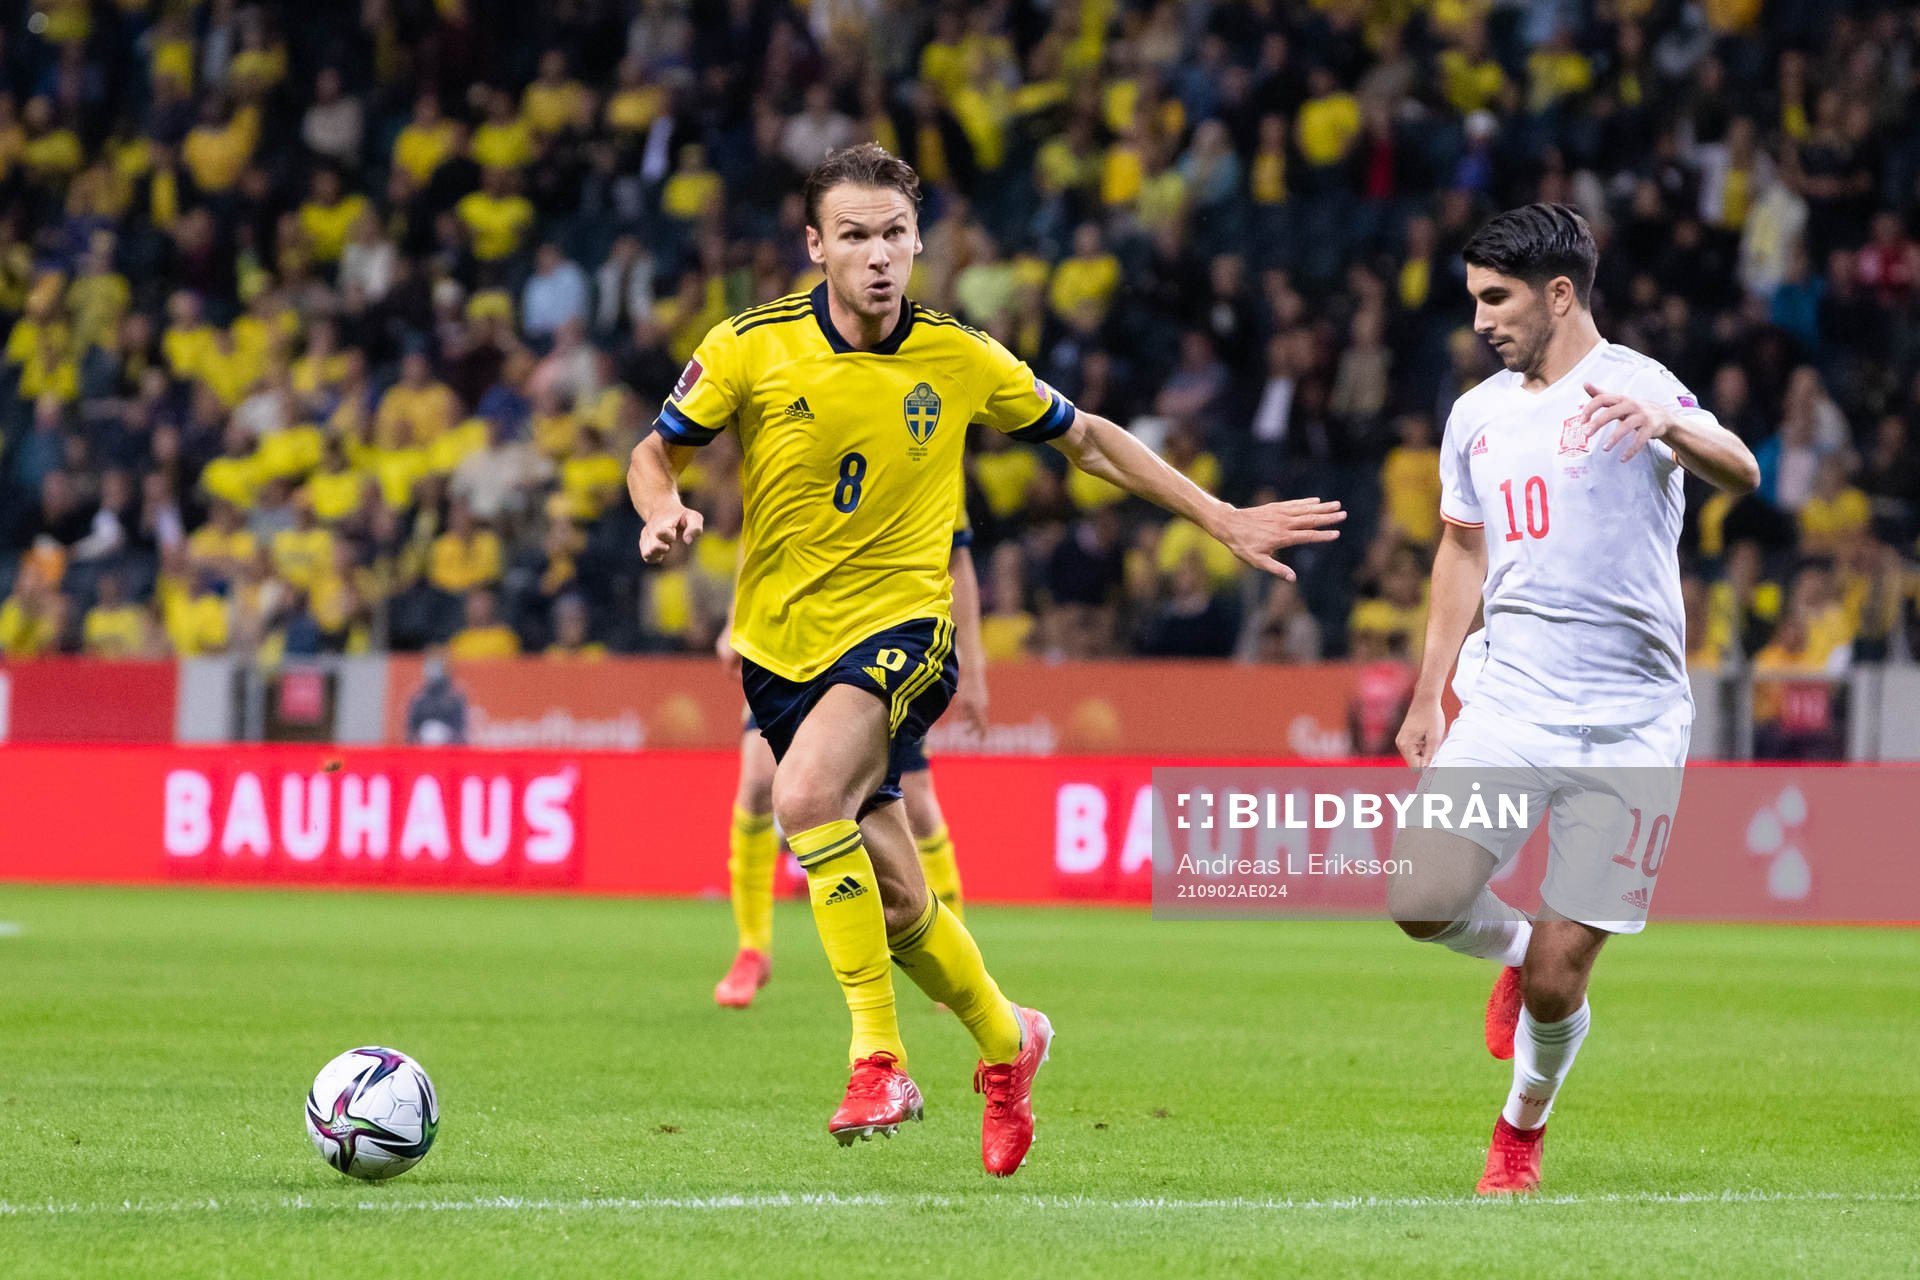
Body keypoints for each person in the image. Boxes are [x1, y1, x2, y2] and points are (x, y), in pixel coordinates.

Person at [628, 143, 1342, 1174]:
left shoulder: (961, 355)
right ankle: (1011, 1041)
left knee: (804, 796)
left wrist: (1218, 515)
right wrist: (662, 513)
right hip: (779, 648)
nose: (878, 256)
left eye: (894, 235)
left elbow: (1087, 439)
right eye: (856, 235)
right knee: (904, 902)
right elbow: (657, 451)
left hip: (904, 632)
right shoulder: (748, 345)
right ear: (815, 245)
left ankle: (878, 1057)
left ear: (919, 242)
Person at [1388, 204, 1759, 1196]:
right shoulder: (1478, 415)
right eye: (1474, 299)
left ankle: (1520, 1128)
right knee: (1420, 897)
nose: (1479, 320)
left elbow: (1744, 470)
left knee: (1562, 978)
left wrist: (1673, 424)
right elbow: (1462, 548)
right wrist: (1431, 693)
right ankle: (1508, 948)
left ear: (1560, 295)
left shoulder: (1639, 386)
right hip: (1510, 698)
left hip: (1630, 722)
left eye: (1496, 299)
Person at [713, 479, 986, 1010]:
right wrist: (735, 619)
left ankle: (955, 942)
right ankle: (751, 950)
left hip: (884, 644)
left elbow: (960, 564)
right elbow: (762, 528)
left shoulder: (927, 437)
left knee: (919, 804)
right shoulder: (808, 422)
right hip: (792, 637)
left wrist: (973, 671)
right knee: (758, 784)